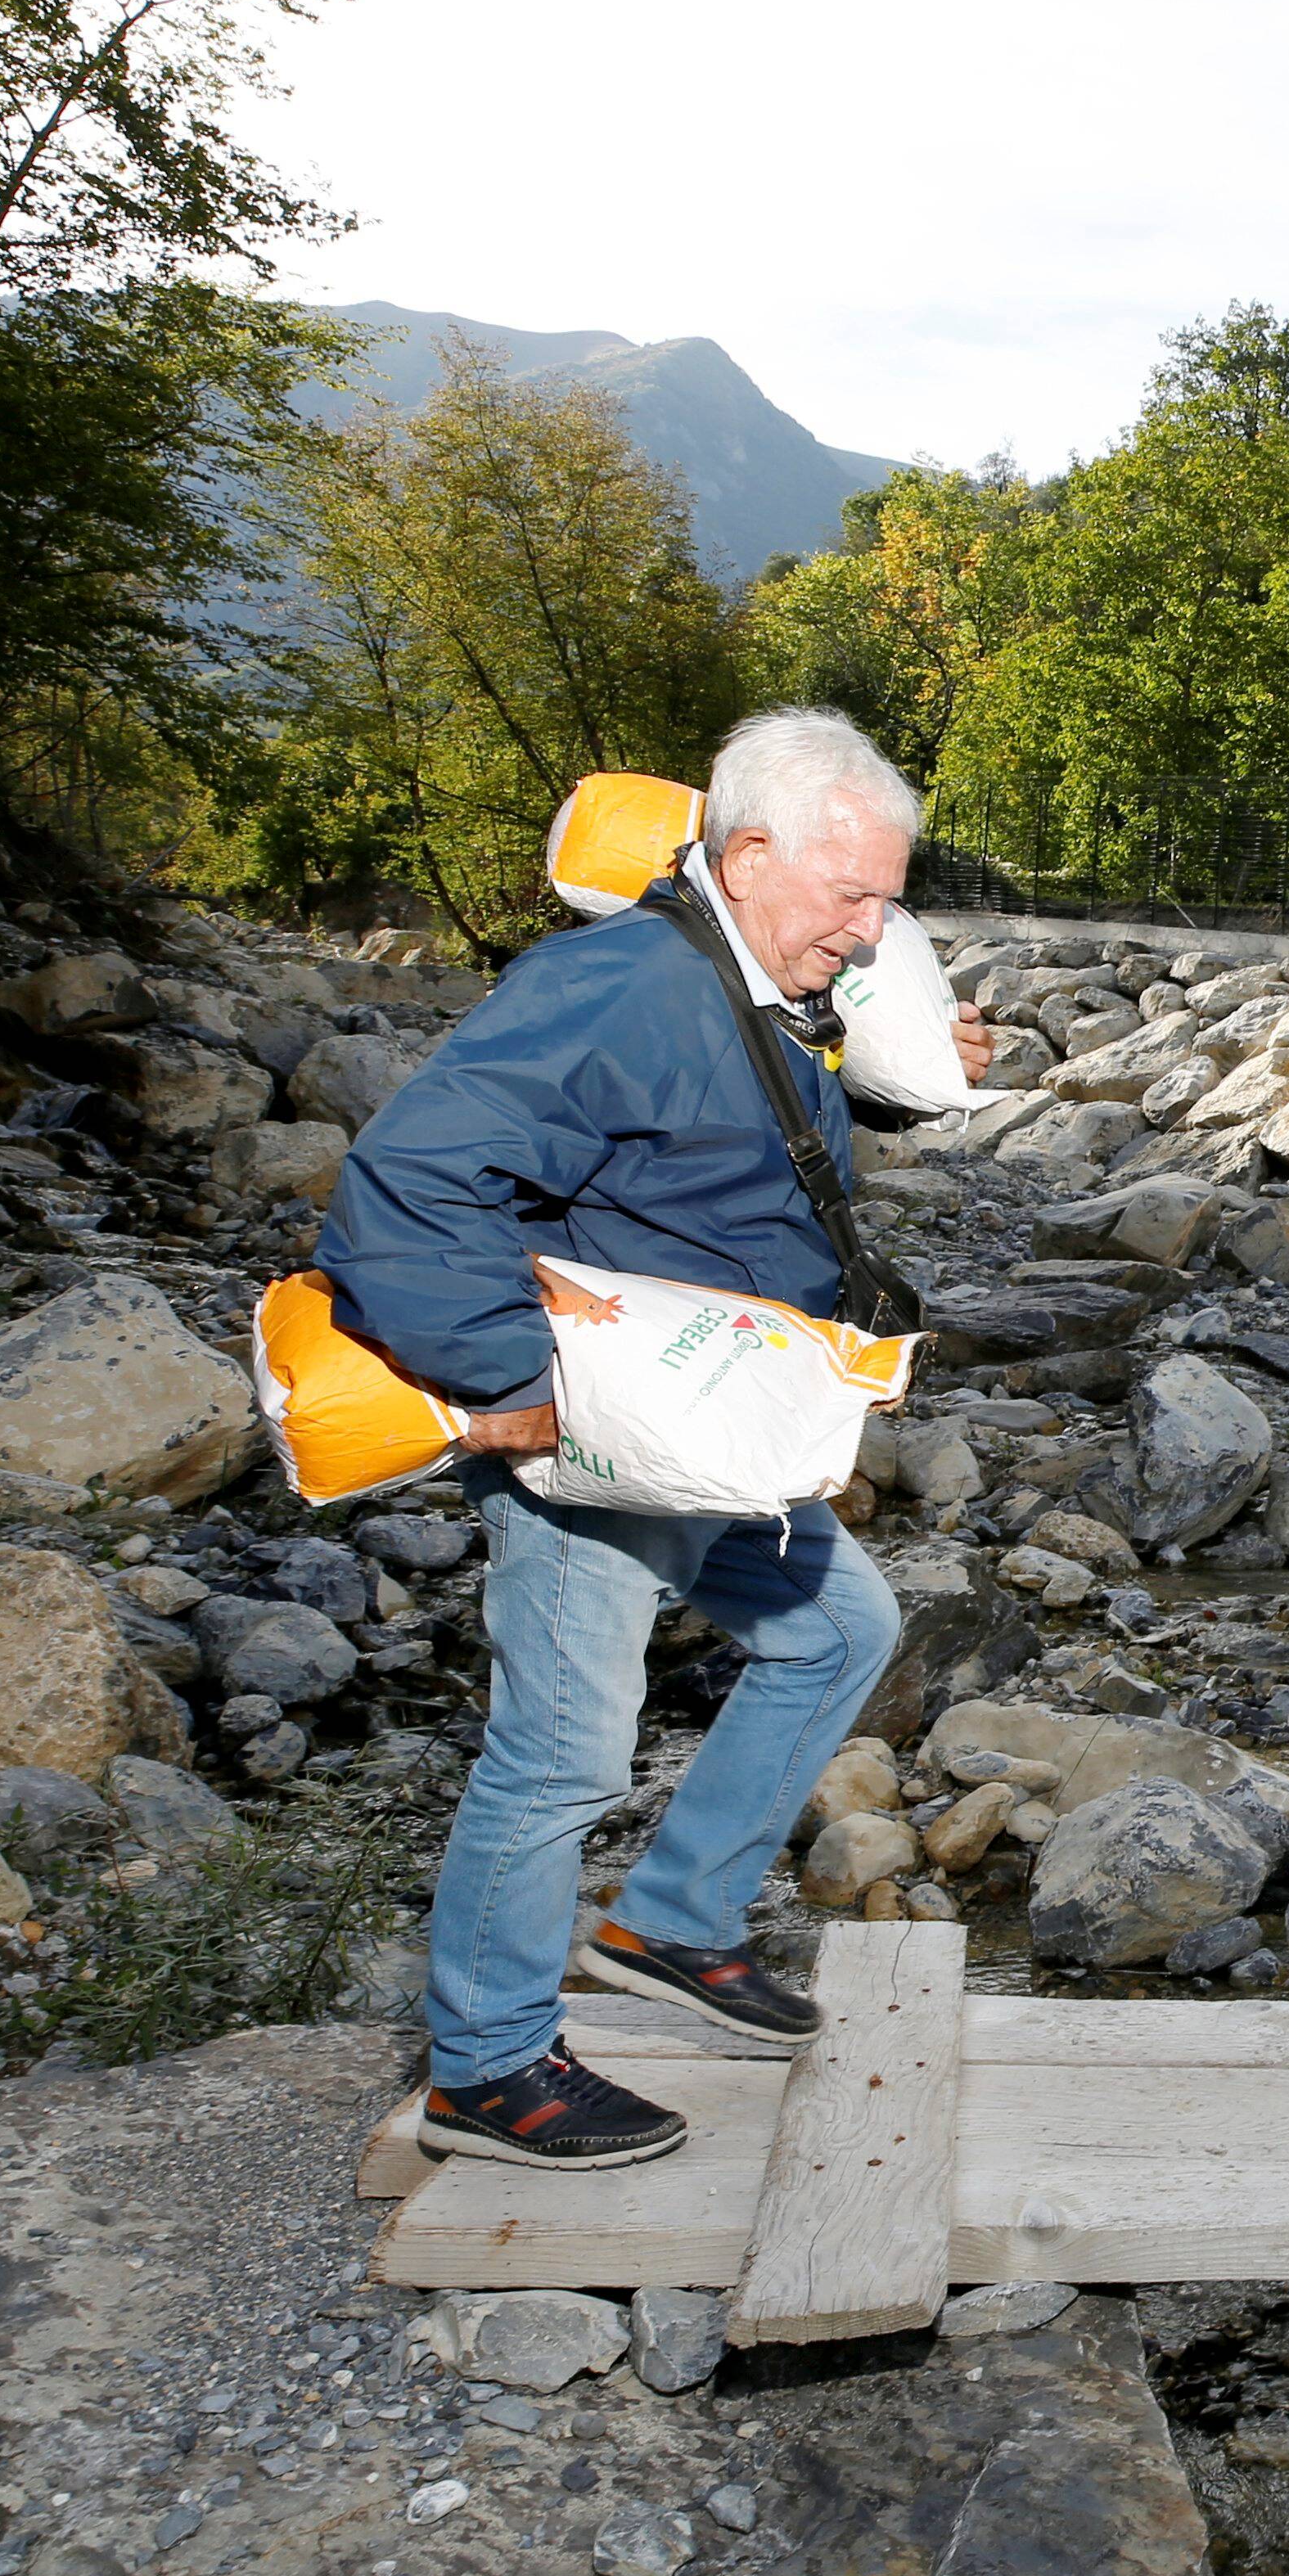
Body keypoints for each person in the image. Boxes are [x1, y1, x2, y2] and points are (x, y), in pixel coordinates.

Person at [315, 708, 985, 2170]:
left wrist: (898, 1078)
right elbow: (404, 1181)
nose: (874, 932)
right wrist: (508, 1374)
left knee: (840, 1633)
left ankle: (672, 1920)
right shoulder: (618, 983)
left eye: (886, 900)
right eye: (852, 896)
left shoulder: (741, 972)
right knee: (561, 1755)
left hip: (710, 1417)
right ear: (746, 858)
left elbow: (724, 1138)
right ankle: (487, 2070)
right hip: (599, 1433)